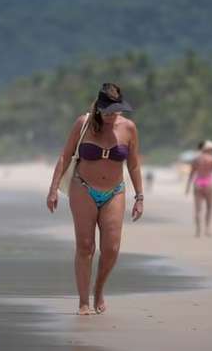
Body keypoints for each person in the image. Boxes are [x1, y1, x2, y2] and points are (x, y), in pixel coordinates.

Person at [46, 83, 144, 315]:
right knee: (85, 246)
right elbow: (65, 155)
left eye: (117, 111)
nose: (113, 116)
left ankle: (99, 289)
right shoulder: (84, 123)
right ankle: (83, 301)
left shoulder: (129, 128)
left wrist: (139, 196)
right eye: (109, 111)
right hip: (83, 188)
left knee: (111, 248)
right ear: (99, 107)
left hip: (115, 191)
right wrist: (52, 189)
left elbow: (134, 163)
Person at [185, 140, 212, 237]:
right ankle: (207, 229)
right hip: (208, 184)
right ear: (208, 149)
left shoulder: (196, 160)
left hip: (198, 183)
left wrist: (187, 187)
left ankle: (198, 230)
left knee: (197, 209)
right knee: (209, 207)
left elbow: (191, 174)